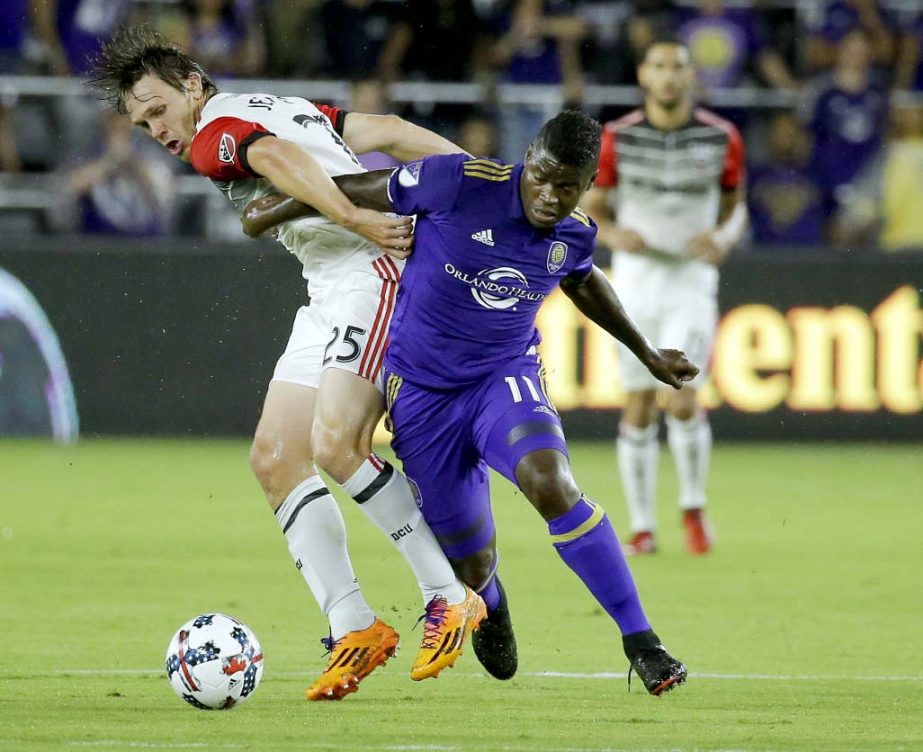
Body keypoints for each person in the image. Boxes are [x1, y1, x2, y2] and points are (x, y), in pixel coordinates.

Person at [87, 25, 485, 702]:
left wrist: (354, 218)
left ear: (192, 84)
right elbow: (386, 129)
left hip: (369, 269)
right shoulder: (277, 103)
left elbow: (274, 158)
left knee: (335, 444)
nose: (157, 129)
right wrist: (485, 181)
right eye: (141, 122)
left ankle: (449, 594)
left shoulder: (220, 132)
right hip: (328, 285)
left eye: (158, 110)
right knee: (275, 456)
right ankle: (352, 624)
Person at [243, 110, 694, 696]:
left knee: (551, 480)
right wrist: (275, 207)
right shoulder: (457, 181)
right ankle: (492, 599)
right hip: (422, 396)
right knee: (472, 566)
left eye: (569, 186)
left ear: (588, 186)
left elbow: (583, 280)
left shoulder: (574, 232)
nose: (551, 197)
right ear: (527, 156)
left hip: (501, 380)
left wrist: (646, 352)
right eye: (544, 177)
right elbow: (355, 188)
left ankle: (642, 641)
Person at [582, 37, 748, 556]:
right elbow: (594, 206)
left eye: (678, 66)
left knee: (681, 394)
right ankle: (642, 526)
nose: (669, 76)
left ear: (690, 76)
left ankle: (693, 508)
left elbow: (736, 204)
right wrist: (610, 235)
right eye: (659, 66)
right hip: (634, 279)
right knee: (635, 404)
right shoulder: (617, 138)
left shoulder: (721, 137)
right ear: (644, 76)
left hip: (690, 279)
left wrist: (720, 239)